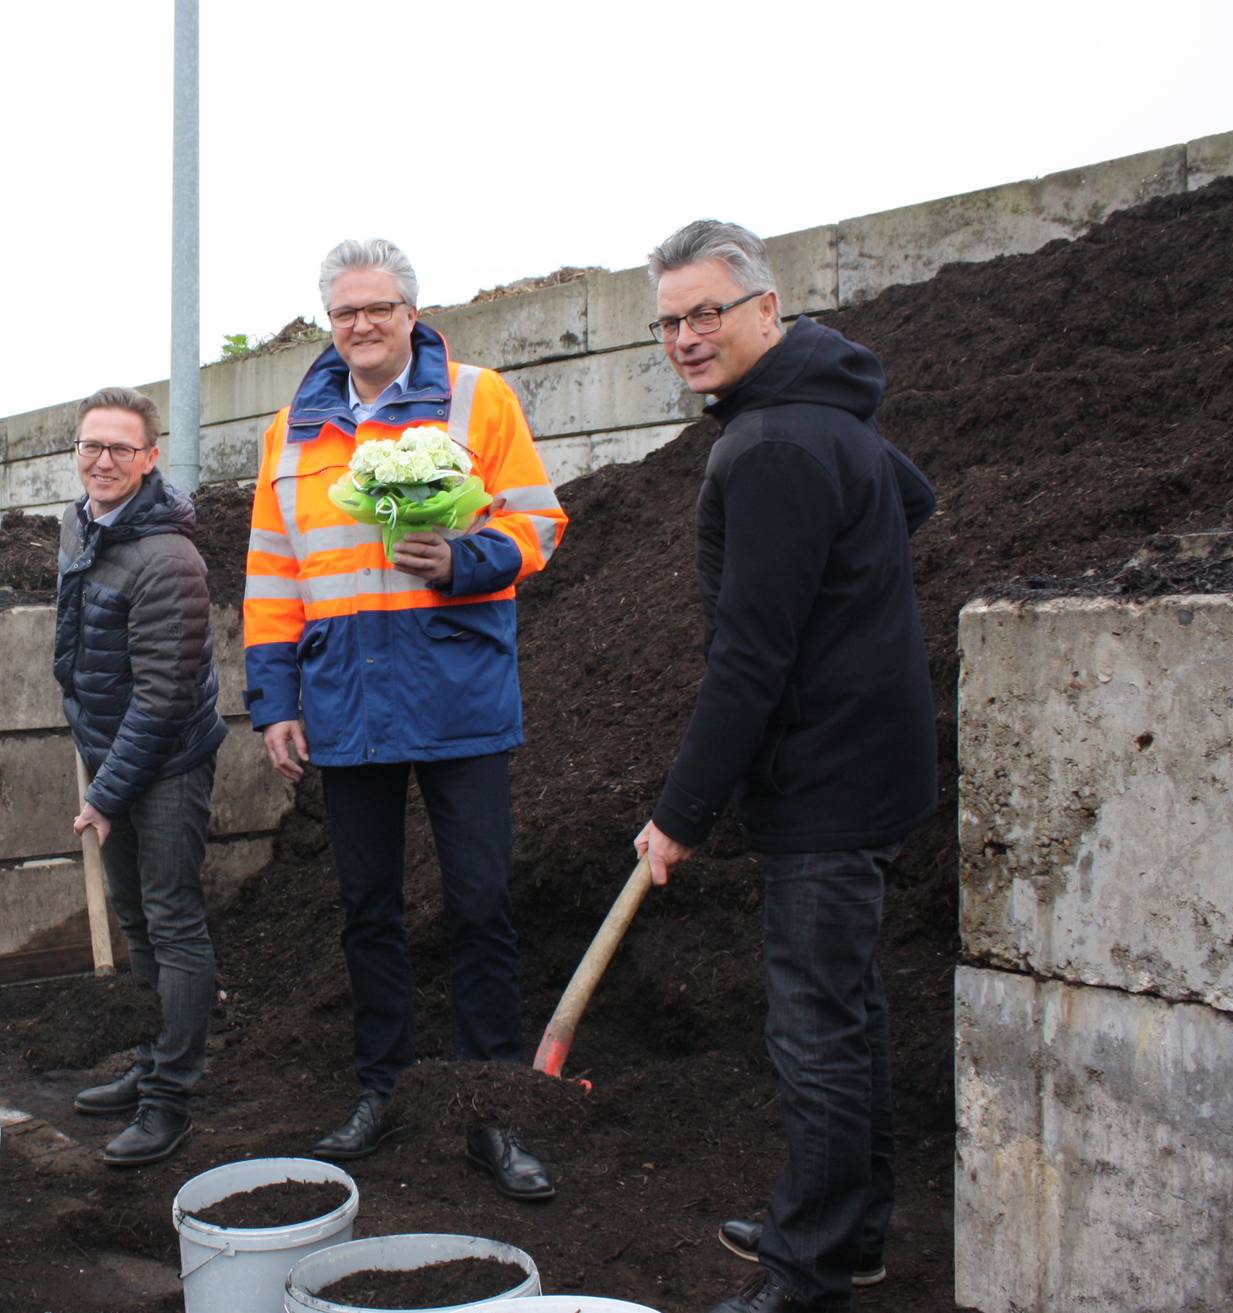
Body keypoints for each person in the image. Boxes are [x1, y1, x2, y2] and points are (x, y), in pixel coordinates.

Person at [631, 219, 936, 1313]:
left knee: (813, 1028)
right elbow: (913, 498)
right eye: (667, 321)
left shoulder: (770, 447)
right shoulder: (818, 411)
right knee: (845, 1011)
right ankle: (848, 1230)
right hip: (873, 755)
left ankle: (805, 1277)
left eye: (705, 312)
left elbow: (749, 659)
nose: (684, 336)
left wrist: (681, 812)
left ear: (768, 306)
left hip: (827, 773)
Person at [242, 238, 568, 1199]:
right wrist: (274, 702)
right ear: (328, 322)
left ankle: (491, 1109)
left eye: (378, 308)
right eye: (344, 312)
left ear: (412, 314)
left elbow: (539, 521)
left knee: (480, 905)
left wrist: (464, 562)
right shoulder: (290, 431)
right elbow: (272, 571)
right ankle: (383, 1087)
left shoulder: (477, 397)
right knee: (367, 909)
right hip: (346, 696)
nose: (361, 326)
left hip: (455, 687)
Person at [55, 386, 226, 1167]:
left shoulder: (169, 558)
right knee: (135, 915)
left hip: (167, 761)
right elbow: (74, 646)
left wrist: (104, 792)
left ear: (150, 458)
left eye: (121, 448)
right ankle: (156, 1055)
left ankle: (172, 1096)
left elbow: (160, 701)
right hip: (114, 750)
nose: (103, 461)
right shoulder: (80, 527)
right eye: (92, 445)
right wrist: (84, 736)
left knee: (172, 916)